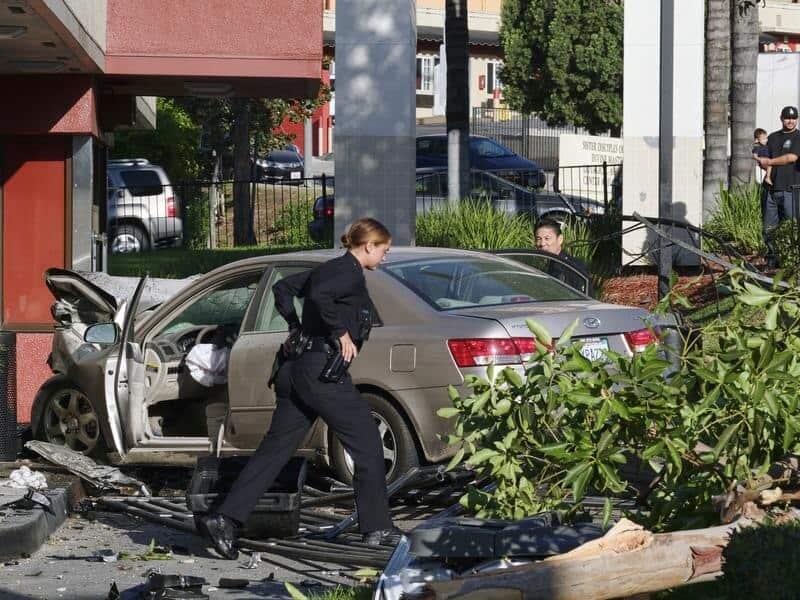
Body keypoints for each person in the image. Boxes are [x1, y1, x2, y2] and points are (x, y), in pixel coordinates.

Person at [200, 218, 400, 559]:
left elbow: (282, 289)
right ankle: (377, 528)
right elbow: (321, 296)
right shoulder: (348, 272)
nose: (385, 256)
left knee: (275, 451)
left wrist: (296, 327)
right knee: (367, 442)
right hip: (321, 373)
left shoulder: (328, 269)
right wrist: (339, 333)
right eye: (383, 249)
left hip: (295, 371)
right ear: (368, 246)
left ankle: (225, 518)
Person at [755, 105, 800, 267]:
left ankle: (791, 261)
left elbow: (791, 158)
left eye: (794, 118)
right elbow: (763, 157)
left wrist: (770, 162)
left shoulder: (798, 137)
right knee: (769, 228)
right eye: (787, 118)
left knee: (791, 227)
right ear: (781, 118)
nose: (790, 121)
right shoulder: (773, 137)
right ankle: (772, 260)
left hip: (791, 189)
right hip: (770, 190)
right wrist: (762, 162)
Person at [534, 218, 592, 296]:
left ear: (560, 239)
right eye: (538, 239)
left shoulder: (573, 268)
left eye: (547, 238)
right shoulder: (544, 265)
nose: (542, 243)